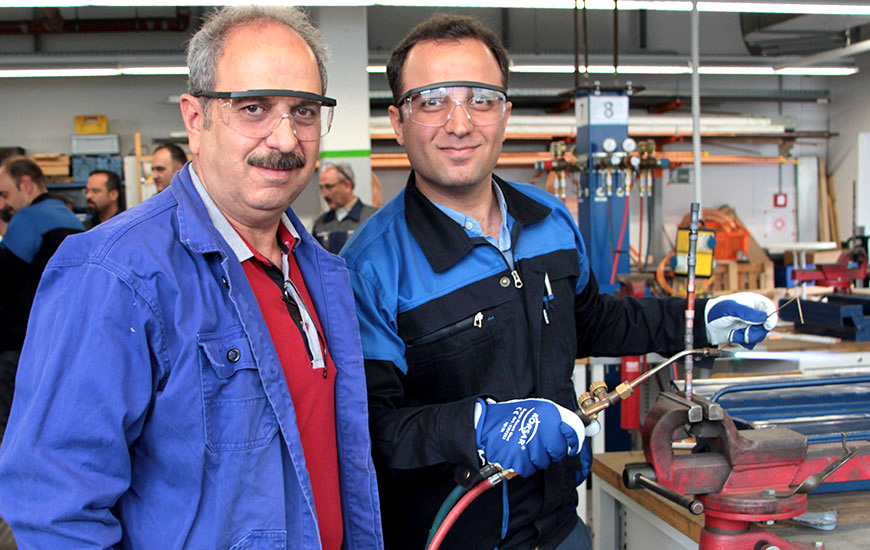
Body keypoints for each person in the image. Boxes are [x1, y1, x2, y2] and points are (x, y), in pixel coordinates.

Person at [340, 14, 777, 550]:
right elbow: (369, 432)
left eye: (481, 98)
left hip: (560, 528)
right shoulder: (370, 265)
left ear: (504, 113)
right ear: (398, 120)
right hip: (454, 536)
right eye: (432, 100)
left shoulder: (550, 219)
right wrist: (476, 428)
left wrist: (700, 319)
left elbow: (593, 320)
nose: (459, 123)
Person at [0, 6, 382, 549]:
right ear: (196, 119)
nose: (284, 138)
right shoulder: (113, 273)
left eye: (303, 111)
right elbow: (55, 507)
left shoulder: (321, 273)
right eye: (253, 107)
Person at [0, 156, 84, 438]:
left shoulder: (28, 218)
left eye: (5, 194)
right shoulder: (67, 215)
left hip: (18, 342)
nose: (3, 204)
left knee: (9, 424)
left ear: (25, 184)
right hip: (59, 340)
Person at [312, 162, 377, 253]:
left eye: (329, 187)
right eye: (321, 188)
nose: (324, 194)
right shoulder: (320, 224)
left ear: (347, 185)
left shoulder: (372, 218)